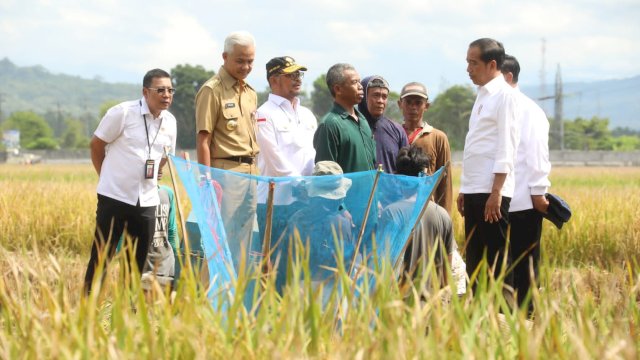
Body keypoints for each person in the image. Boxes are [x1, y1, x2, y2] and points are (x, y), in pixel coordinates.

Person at [84, 68, 177, 295]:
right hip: (114, 196)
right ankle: (88, 308)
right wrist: (105, 177)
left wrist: (154, 175)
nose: (167, 95)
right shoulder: (123, 113)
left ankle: (129, 309)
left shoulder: (170, 122)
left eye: (170, 90)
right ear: (146, 92)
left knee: (137, 261)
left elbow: (165, 156)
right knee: (102, 256)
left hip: (147, 200)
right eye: (160, 90)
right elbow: (97, 145)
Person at [457, 38, 519, 291]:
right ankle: (478, 319)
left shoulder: (505, 96)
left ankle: (503, 320)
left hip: (491, 192)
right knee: (475, 261)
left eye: (474, 63)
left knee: (497, 261)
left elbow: (507, 146)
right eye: (467, 63)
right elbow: (477, 146)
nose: (468, 69)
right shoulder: (482, 96)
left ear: (492, 64)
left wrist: (496, 192)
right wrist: (464, 188)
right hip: (474, 190)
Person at [195, 31, 259, 252]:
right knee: (220, 239)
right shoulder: (211, 90)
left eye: (250, 61)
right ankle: (209, 286)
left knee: (244, 239)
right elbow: (203, 140)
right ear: (225, 57)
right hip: (225, 174)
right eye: (240, 61)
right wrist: (207, 183)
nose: (246, 67)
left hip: (250, 172)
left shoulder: (250, 92)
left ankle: (236, 286)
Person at [501, 54, 551, 315]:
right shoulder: (494, 106)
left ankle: (527, 318)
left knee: (526, 264)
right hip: (498, 202)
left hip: (523, 201)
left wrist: (539, 193)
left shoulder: (530, 111)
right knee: (503, 263)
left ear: (508, 77)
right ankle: (504, 317)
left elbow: (537, 156)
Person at [380, 145, 465, 296]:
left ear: (399, 178)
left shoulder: (390, 214)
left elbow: (381, 267)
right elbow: (446, 276)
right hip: (433, 306)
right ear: (425, 177)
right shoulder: (442, 215)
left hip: (397, 307)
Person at [255, 56, 317, 245]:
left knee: (303, 261)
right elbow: (274, 159)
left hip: (307, 200)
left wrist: (313, 185)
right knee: (276, 264)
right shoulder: (264, 113)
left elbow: (313, 153)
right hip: (276, 203)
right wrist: (301, 185)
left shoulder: (306, 114)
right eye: (291, 75)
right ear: (274, 80)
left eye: (299, 74)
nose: (297, 79)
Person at [278, 161, 356, 298]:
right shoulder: (342, 224)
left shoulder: (297, 219)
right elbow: (348, 266)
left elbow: (285, 262)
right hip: (332, 293)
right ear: (338, 198)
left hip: (298, 290)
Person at [398, 82, 453, 214]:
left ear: (426, 106)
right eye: (408, 102)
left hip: (427, 210)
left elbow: (445, 181)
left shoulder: (438, 137)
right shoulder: (393, 134)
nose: (413, 107)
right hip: (398, 209)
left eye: (418, 103)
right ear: (400, 104)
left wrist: (444, 217)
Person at [313, 63, 376, 173]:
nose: (360, 86)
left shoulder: (363, 120)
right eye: (354, 82)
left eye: (359, 81)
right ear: (338, 89)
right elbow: (326, 176)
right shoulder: (329, 125)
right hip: (348, 191)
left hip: (370, 190)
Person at [357, 75, 408, 174]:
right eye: (376, 95)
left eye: (384, 96)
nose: (380, 101)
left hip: (390, 189)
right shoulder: (351, 126)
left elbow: (406, 170)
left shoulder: (397, 130)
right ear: (364, 97)